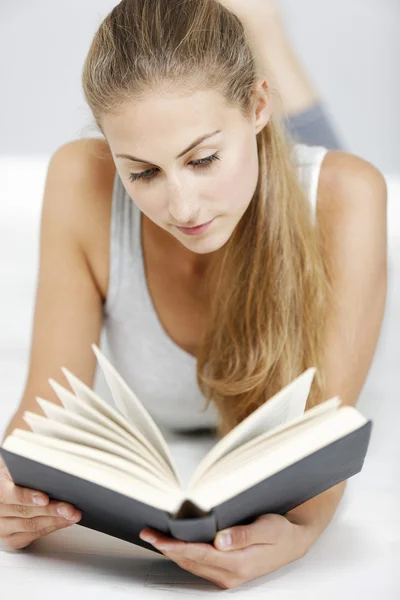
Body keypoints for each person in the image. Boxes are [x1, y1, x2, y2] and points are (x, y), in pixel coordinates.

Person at [0, 0, 387, 590]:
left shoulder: (346, 201)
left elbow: (320, 447)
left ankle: (260, 25)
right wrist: (13, 494)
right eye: (144, 173)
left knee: (319, 165)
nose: (181, 209)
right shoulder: (82, 178)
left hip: (299, 185)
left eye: (202, 159)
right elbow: (38, 421)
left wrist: (303, 532)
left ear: (259, 105)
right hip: (241, 147)